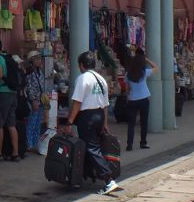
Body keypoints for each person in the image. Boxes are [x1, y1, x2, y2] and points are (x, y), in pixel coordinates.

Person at [62, 51, 121, 194]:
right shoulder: (101, 79)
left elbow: (77, 103)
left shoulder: (83, 79)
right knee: (91, 146)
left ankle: (109, 180)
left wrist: (69, 122)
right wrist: (105, 123)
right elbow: (105, 105)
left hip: (87, 117)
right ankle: (83, 175)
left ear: (81, 65)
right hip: (100, 115)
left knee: (92, 148)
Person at [125, 48, 156, 152]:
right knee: (144, 122)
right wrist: (146, 59)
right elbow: (156, 67)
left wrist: (127, 98)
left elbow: (127, 89)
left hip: (132, 100)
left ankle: (129, 145)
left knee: (131, 124)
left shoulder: (128, 74)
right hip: (143, 99)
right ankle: (143, 142)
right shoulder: (144, 72)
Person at [23, 51, 44, 152]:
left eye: (40, 58)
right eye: (37, 59)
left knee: (38, 123)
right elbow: (29, 88)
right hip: (34, 101)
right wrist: (33, 101)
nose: (40, 61)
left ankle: (35, 144)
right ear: (32, 60)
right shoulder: (29, 73)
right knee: (31, 123)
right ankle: (29, 144)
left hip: (41, 101)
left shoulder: (40, 72)